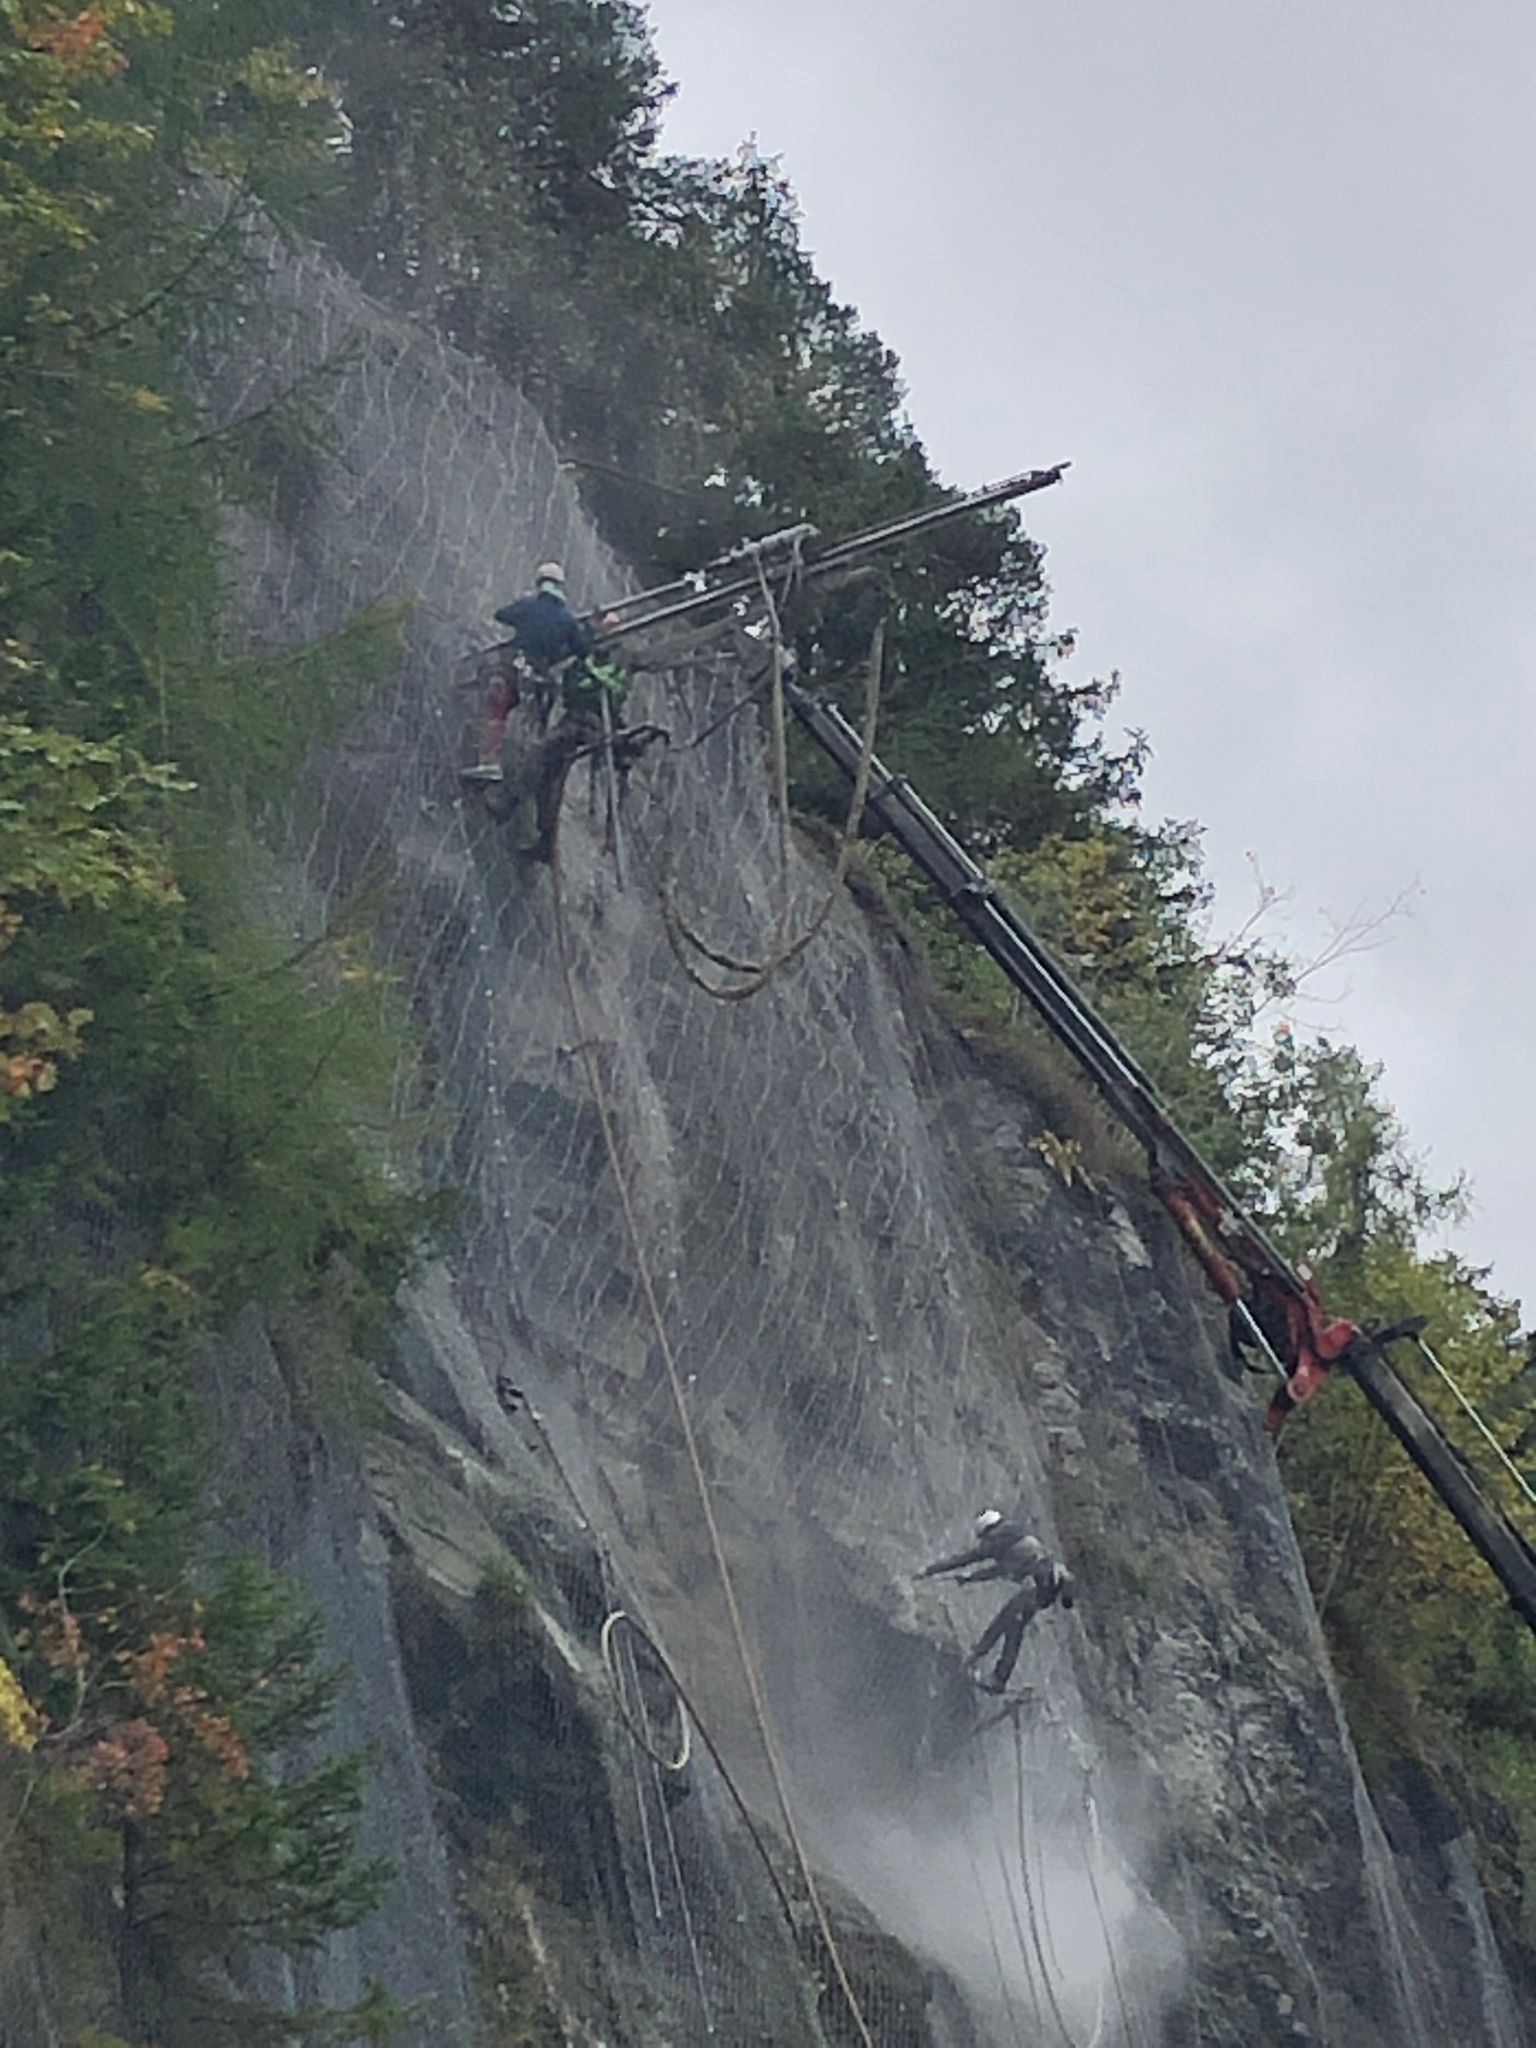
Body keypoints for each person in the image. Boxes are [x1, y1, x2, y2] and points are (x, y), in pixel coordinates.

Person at [918, 1510, 1075, 1695]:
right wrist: (970, 1578)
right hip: (1051, 1584)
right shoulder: (1017, 1533)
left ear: (986, 1531)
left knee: (1004, 1621)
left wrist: (931, 1570)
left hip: (1036, 1586)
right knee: (1013, 1628)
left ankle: (980, 1660)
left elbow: (962, 1560)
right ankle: (996, 1675)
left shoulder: (995, 1541)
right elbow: (1001, 1569)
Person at [471, 561, 594, 772]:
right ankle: (525, 767)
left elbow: (501, 615)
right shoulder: (567, 619)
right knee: (534, 722)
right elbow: (582, 649)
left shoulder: (528, 605)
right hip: (541, 676)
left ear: (540, 583)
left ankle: (488, 761)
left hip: (515, 665)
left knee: (497, 710)